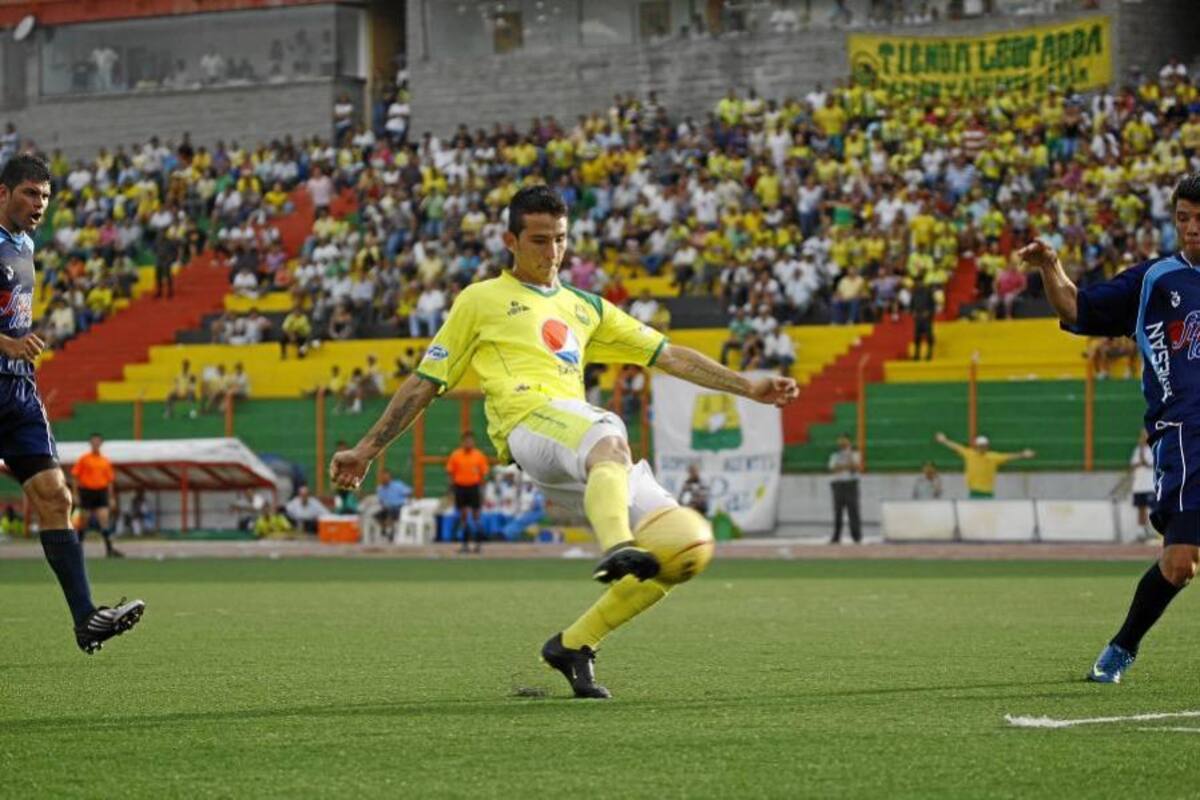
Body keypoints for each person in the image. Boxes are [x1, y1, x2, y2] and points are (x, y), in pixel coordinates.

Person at [330, 185, 798, 699]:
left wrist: (747, 385)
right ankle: (617, 545)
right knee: (608, 435)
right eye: (538, 240)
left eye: (559, 239)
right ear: (510, 240)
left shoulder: (586, 308)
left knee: (681, 547)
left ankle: (574, 645)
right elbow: (425, 381)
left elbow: (668, 355)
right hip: (529, 425)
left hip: (577, 443)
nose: (551, 252)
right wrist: (367, 449)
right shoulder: (480, 300)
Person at [1019, 173, 1200, 683]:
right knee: (1181, 563)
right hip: (1187, 435)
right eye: (1184, 218)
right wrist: (1052, 266)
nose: (1191, 229)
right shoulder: (1154, 280)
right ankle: (1122, 647)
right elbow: (1076, 308)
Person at [0, 155, 144, 653]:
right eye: (29, 194)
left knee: (56, 497)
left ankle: (87, 619)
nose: (39, 204)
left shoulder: (25, 245)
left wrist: (16, 351)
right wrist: (6, 343)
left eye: (44, 196)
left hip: (17, 391)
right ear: (3, 193)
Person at [933, 432, 1035, 498]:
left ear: (987, 446)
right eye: (980, 446)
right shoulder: (969, 454)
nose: (982, 448)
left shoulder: (993, 456)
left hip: (988, 492)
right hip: (974, 492)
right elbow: (955, 447)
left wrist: (1023, 455)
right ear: (976, 446)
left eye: (984, 446)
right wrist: (944, 440)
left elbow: (1008, 456)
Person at [71, 433, 122, 558]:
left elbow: (110, 482)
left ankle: (109, 549)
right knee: (83, 521)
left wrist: (111, 497)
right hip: (87, 492)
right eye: (93, 442)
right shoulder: (84, 459)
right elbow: (75, 477)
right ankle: (77, 550)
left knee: (104, 520)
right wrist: (75, 494)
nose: (96, 444)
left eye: (98, 442)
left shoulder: (105, 461)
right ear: (90, 443)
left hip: (101, 492)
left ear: (101, 443)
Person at [446, 430, 489, 553]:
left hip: (474, 487)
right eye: (466, 441)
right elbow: (450, 472)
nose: (468, 443)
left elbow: (483, 474)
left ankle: (478, 544)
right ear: (462, 442)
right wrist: (451, 488)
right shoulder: (456, 455)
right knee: (464, 516)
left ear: (473, 442)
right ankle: (465, 545)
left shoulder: (479, 456)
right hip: (460, 488)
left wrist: (483, 491)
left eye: (470, 440)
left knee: (476, 516)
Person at [828, 433, 861, 543]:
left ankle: (856, 536)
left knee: (853, 511)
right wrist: (846, 466)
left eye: (844, 440)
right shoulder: (835, 454)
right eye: (840, 440)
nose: (841, 442)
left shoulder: (855, 453)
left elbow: (856, 467)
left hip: (851, 484)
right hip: (838, 484)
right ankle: (836, 536)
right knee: (838, 512)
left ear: (848, 441)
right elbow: (832, 468)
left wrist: (845, 462)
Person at [1129, 428, 1154, 540]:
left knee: (1152, 509)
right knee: (1141, 509)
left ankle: (1153, 530)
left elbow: (1149, 464)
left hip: (1150, 485)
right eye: (1142, 436)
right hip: (1138, 486)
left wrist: (1142, 458)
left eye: (1145, 435)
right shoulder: (1137, 450)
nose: (1143, 438)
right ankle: (1141, 532)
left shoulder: (1153, 449)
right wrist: (1140, 459)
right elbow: (1134, 465)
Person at [374, 468, 411, 541]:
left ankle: (390, 531)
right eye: (382, 477)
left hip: (399, 508)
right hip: (387, 508)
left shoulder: (398, 485)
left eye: (386, 477)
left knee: (390, 511)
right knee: (377, 515)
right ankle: (386, 529)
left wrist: (408, 502)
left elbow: (408, 492)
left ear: (390, 477)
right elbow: (381, 501)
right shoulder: (380, 488)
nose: (384, 479)